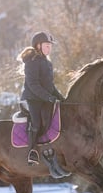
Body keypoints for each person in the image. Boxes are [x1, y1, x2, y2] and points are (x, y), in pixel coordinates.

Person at [17, 31, 66, 166]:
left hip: (44, 99)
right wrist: (48, 98)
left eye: (50, 46)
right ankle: (32, 151)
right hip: (31, 99)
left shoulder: (47, 62)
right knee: (38, 123)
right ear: (38, 46)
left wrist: (61, 98)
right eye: (46, 45)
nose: (49, 48)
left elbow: (50, 86)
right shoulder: (31, 62)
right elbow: (33, 85)